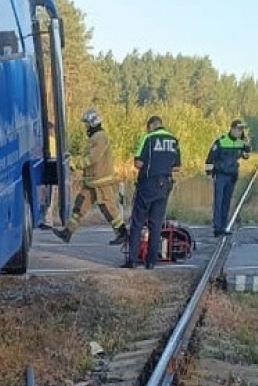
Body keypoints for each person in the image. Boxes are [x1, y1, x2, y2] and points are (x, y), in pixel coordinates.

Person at [54, 109, 128, 245]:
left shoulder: (100, 137)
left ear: (93, 123)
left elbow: (93, 158)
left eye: (87, 124)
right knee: (80, 205)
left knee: (109, 208)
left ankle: (122, 233)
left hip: (101, 181)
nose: (86, 127)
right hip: (91, 182)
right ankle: (67, 232)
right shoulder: (95, 137)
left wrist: (77, 165)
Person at [125, 116, 181, 269]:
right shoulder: (173, 140)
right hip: (165, 185)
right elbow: (176, 167)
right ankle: (151, 262)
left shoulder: (148, 138)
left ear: (150, 126)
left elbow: (138, 163)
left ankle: (133, 260)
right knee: (156, 225)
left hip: (148, 184)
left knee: (137, 223)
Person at [205, 119, 251, 237]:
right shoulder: (221, 141)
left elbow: (246, 155)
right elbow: (211, 156)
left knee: (226, 202)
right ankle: (217, 227)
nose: (240, 132)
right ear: (232, 129)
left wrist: (246, 145)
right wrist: (209, 173)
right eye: (238, 129)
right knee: (219, 201)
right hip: (220, 175)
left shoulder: (240, 143)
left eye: (241, 130)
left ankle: (223, 226)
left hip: (231, 176)